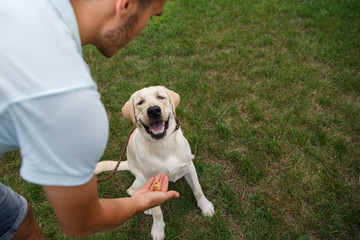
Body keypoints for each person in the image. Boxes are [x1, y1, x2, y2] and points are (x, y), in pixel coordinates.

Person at [0, 0, 179, 239]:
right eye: (152, 16)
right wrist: (140, 201)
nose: (142, 30)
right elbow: (81, 222)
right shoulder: (70, 102)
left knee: (18, 218)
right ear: (124, 5)